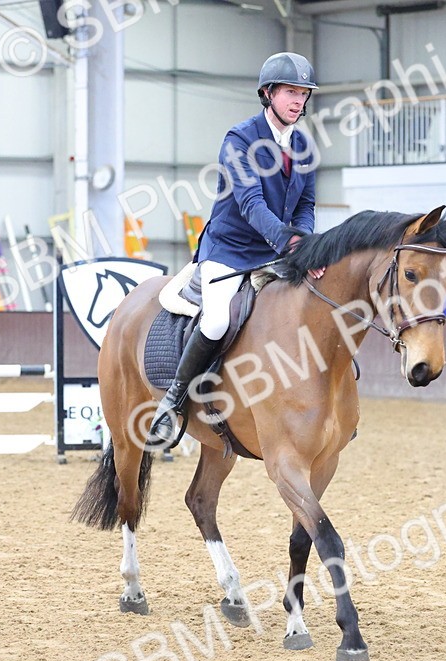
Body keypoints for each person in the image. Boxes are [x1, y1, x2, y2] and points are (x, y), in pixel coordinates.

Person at [147, 52, 320, 449]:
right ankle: (172, 402)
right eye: (290, 91)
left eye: (303, 93)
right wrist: (289, 241)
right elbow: (251, 203)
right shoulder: (239, 139)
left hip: (277, 251)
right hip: (230, 249)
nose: (298, 100)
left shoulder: (304, 147)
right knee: (216, 322)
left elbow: (306, 205)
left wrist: (305, 244)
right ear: (268, 93)